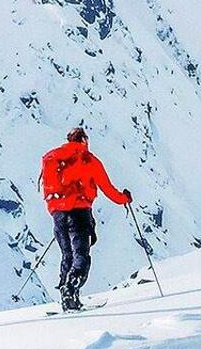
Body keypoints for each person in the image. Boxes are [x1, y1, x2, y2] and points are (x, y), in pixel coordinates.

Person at [39, 127, 132, 311]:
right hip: (79, 212)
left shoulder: (54, 157)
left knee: (67, 255)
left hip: (57, 213)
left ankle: (68, 299)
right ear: (84, 140)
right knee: (81, 256)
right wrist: (124, 198)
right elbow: (107, 188)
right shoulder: (88, 159)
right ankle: (71, 289)